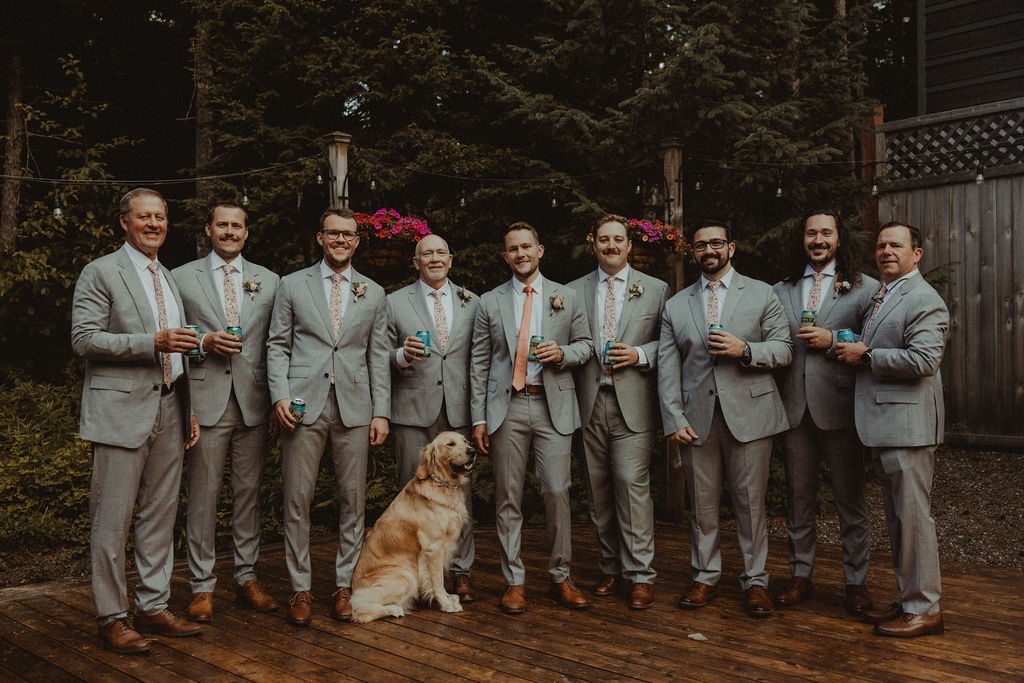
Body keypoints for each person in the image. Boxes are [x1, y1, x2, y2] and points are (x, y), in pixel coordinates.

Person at [71, 188, 203, 654]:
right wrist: (151, 341)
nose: (154, 224)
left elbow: (177, 345)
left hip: (169, 405)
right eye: (144, 217)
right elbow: (84, 339)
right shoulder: (101, 271)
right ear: (124, 222)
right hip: (120, 412)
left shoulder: (165, 275)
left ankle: (152, 605)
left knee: (159, 517)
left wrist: (189, 410)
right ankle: (111, 617)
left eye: (161, 217)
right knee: (111, 521)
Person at [657, 220, 792, 618]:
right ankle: (704, 576)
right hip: (697, 418)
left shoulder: (763, 294)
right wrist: (672, 417)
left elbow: (784, 350)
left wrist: (745, 349)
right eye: (701, 245)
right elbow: (668, 367)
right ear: (693, 252)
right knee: (702, 506)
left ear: (731, 247)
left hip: (751, 414)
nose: (709, 250)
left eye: (716, 243)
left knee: (751, 505)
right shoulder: (676, 305)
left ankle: (755, 581)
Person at [267, 207, 391, 626]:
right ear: (320, 238)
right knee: (297, 500)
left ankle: (344, 585)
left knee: (352, 501)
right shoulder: (291, 284)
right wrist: (279, 396)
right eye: (333, 234)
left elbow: (377, 356)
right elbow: (277, 345)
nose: (341, 240)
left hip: (356, 408)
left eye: (349, 235)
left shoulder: (373, 292)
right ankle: (299, 588)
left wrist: (382, 413)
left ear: (357, 241)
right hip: (302, 407)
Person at [469, 222, 593, 614]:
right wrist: (478, 418)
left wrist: (563, 354)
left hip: (552, 405)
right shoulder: (490, 301)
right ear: (505, 256)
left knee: (557, 492)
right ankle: (514, 581)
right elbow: (480, 363)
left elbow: (588, 346)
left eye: (527, 246)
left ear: (541, 250)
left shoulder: (567, 296)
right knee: (508, 497)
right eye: (512, 249)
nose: (520, 254)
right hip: (506, 408)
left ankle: (560, 575)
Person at [836, 221, 948, 638]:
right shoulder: (887, 293)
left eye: (896, 245)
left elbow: (923, 361)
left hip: (909, 427)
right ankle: (908, 601)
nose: (886, 251)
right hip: (887, 426)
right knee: (900, 520)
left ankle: (925, 608)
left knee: (914, 520)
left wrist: (866, 356)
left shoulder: (923, 298)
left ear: (916, 254)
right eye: (881, 245)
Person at [172, 201, 280, 622]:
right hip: (205, 400)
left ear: (246, 233)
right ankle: (201, 586)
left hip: (253, 403)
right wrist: (204, 343)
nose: (230, 232)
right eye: (223, 225)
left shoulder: (270, 281)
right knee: (202, 497)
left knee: (249, 496)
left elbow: (278, 344)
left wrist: (276, 400)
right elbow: (176, 335)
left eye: (237, 226)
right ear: (209, 230)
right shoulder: (181, 277)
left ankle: (247, 577)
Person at [772, 210, 878, 616]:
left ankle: (856, 584)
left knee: (850, 502)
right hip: (795, 408)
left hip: (842, 408)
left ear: (838, 238)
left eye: (826, 233)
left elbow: (874, 341)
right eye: (811, 232)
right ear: (802, 238)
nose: (818, 239)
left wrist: (833, 339)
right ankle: (800, 577)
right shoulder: (781, 289)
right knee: (798, 500)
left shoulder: (865, 288)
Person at [567, 214, 668, 610]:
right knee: (598, 491)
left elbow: (673, 343)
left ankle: (640, 575)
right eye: (603, 240)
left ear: (630, 245)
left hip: (634, 402)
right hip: (588, 402)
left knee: (631, 485)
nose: (611, 246)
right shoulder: (573, 291)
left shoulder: (656, 289)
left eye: (618, 240)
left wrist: (641, 353)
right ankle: (610, 567)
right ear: (594, 244)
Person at [386, 233, 479, 603]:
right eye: (427, 254)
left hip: (459, 409)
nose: (435, 258)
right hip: (412, 409)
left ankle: (461, 572)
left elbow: (483, 358)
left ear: (451, 259)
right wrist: (401, 355)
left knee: (460, 495)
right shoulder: (394, 302)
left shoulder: (474, 302)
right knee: (416, 494)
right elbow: (380, 354)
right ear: (416, 262)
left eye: (441, 252)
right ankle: (415, 572)